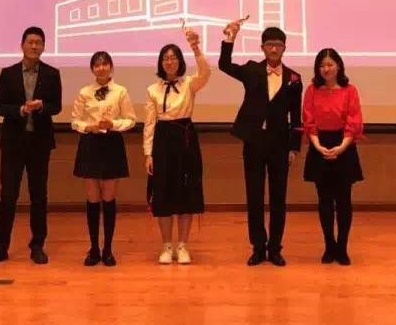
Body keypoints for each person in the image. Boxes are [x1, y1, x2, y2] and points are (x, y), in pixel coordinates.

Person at [218, 20, 302, 266]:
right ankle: (258, 247)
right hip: (254, 142)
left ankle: (275, 248)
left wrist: (294, 147)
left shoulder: (294, 78)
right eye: (269, 45)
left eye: (278, 45)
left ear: (284, 48)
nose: (274, 49)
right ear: (262, 47)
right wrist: (230, 38)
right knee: (254, 196)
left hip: (279, 144)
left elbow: (296, 117)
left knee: (278, 198)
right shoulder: (252, 70)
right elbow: (224, 65)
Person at [0, 26, 63, 266]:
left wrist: (41, 106)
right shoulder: (8, 73)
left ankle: (37, 245)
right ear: (22, 45)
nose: (34, 46)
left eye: (39, 42)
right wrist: (19, 110)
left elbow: (56, 106)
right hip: (13, 143)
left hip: (39, 143)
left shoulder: (52, 74)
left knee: (39, 196)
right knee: (7, 195)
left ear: (44, 47)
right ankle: (1, 247)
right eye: (30, 42)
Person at [143, 28, 211, 264]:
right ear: (160, 63)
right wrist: (148, 154)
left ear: (180, 61)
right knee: (163, 193)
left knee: (186, 192)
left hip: (185, 139)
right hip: (162, 141)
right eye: (165, 58)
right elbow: (149, 124)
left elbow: (206, 72)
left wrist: (196, 48)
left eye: (173, 58)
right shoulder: (152, 89)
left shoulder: (189, 83)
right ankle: (166, 245)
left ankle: (182, 245)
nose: (169, 62)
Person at [71, 51, 136, 267]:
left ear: (111, 67)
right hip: (90, 144)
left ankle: (108, 248)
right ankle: (93, 249)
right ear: (92, 69)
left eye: (104, 64)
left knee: (108, 198)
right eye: (97, 65)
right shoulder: (84, 92)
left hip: (111, 144)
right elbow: (75, 121)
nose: (101, 68)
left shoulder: (121, 91)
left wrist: (113, 124)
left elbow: (131, 120)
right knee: (92, 198)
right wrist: (88, 127)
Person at [301, 48, 364, 266]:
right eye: (322, 65)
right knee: (324, 200)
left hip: (344, 145)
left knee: (344, 200)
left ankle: (342, 247)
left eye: (330, 64)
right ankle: (329, 245)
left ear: (338, 66)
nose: (326, 69)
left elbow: (354, 121)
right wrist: (318, 146)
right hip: (319, 144)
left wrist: (341, 147)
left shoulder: (350, 90)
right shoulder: (312, 90)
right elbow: (308, 120)